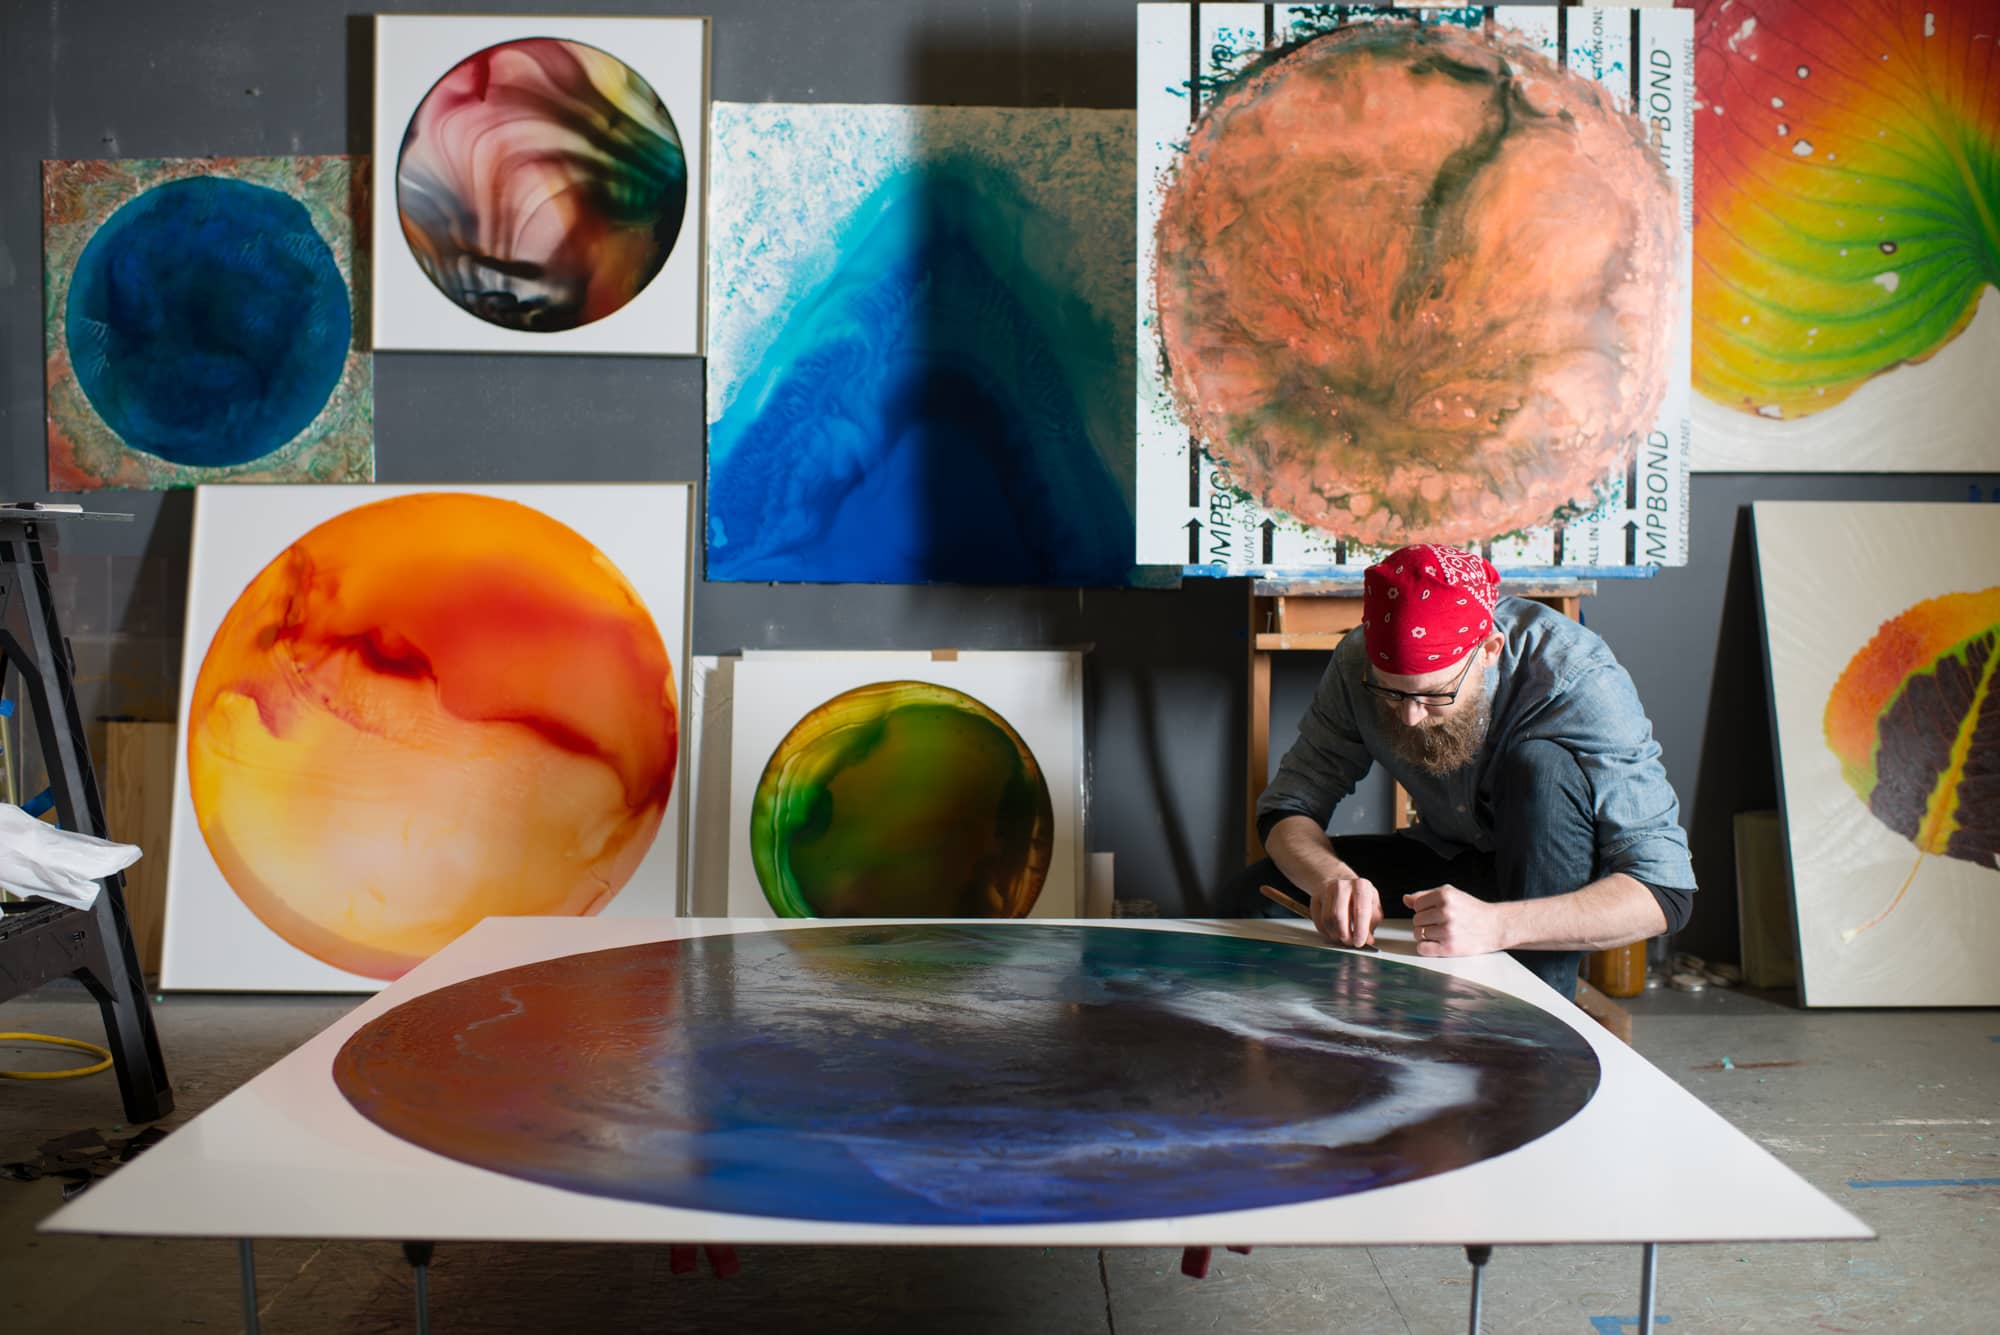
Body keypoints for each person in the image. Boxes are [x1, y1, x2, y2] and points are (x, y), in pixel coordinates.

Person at [1229, 543, 1695, 996]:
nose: (1409, 717)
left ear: (1489, 650)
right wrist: (1330, 879)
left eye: (1434, 696)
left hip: (1552, 885)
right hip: (1455, 863)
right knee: (1256, 896)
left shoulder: (1578, 677)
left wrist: (1496, 925)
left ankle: (1534, 1031)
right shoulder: (1358, 663)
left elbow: (1663, 892)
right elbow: (1288, 807)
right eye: (1392, 695)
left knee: (1542, 768)